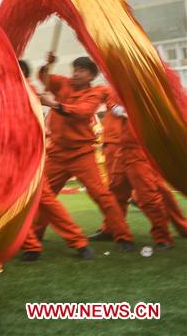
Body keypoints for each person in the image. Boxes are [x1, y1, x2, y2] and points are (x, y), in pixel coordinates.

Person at [34, 53, 134, 252]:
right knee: (44, 196)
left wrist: (54, 104)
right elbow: (44, 78)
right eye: (75, 69)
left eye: (82, 71)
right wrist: (48, 65)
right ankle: (35, 236)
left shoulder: (96, 92)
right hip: (58, 153)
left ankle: (123, 236)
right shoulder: (63, 83)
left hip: (81, 154)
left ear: (91, 76)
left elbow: (83, 112)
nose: (76, 73)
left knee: (102, 195)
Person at [17, 61, 95, 262]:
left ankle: (78, 242)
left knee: (46, 201)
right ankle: (31, 245)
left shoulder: (29, 93)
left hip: (27, 158)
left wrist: (50, 100)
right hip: (3, 160)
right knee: (11, 206)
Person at [102, 91, 174, 250]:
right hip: (123, 150)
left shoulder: (152, 94)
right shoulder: (121, 91)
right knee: (115, 194)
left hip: (139, 152)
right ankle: (121, 237)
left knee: (148, 196)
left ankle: (163, 237)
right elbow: (112, 105)